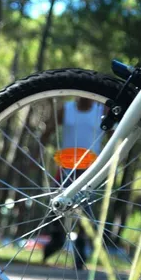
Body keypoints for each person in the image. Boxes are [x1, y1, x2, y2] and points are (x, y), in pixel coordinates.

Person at [43, 98, 104, 269]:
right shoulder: (67, 109)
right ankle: (56, 239)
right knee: (57, 204)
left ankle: (81, 249)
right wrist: (38, 150)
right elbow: (48, 130)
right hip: (66, 166)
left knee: (85, 210)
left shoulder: (101, 111)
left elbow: (115, 134)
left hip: (91, 168)